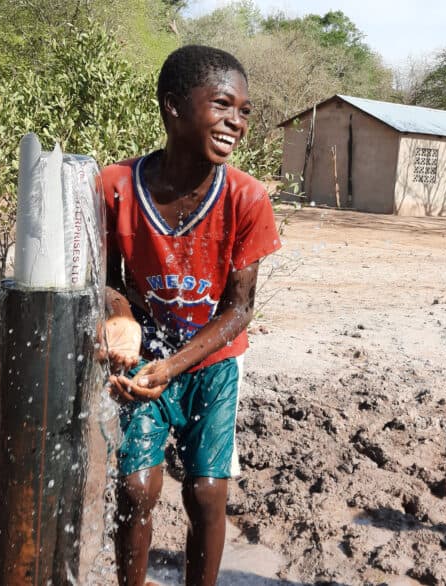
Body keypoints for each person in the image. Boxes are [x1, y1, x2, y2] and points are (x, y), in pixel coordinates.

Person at [100, 44, 281, 586]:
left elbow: (240, 307)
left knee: (207, 492)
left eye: (245, 111)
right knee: (135, 488)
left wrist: (174, 366)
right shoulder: (116, 187)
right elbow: (108, 280)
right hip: (145, 355)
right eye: (223, 105)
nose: (237, 122)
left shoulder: (247, 199)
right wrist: (121, 318)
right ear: (174, 107)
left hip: (214, 362)